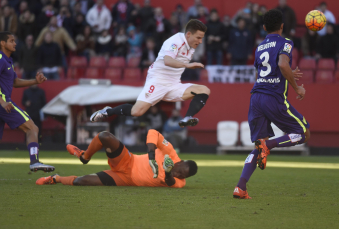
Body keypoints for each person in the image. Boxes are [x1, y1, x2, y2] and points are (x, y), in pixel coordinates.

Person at [233, 10, 309, 199]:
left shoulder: (259, 47)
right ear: (282, 26)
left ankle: (240, 187)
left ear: (264, 27)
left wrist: (289, 72)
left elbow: (262, 74)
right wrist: (297, 87)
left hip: (256, 97)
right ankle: (270, 145)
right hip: (273, 98)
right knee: (304, 133)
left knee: (259, 145)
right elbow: (283, 64)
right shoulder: (286, 43)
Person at [90, 19, 210, 128]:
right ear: (188, 34)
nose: (200, 41)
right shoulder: (175, 41)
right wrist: (187, 65)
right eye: (198, 37)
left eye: (202, 38)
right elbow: (168, 61)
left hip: (173, 84)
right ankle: (107, 111)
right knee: (136, 112)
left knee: (204, 90)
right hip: (158, 80)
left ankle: (187, 117)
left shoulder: (191, 46)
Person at [36, 129, 198, 187]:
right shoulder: (171, 154)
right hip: (128, 161)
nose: (178, 174)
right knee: (105, 136)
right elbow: (153, 133)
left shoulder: (178, 182)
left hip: (125, 179)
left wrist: (169, 172)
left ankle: (54, 179)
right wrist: (151, 155)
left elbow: (170, 182)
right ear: (181, 162)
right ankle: (84, 156)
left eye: (182, 176)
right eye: (179, 170)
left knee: (81, 182)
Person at [0, 31, 54, 172]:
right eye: (11, 40)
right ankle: (34, 161)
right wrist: (2, 102)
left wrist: (35, 81)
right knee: (32, 128)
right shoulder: (0, 59)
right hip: (4, 104)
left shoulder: (8, 60)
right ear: (2, 43)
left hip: (3, 104)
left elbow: (15, 82)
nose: (15, 43)